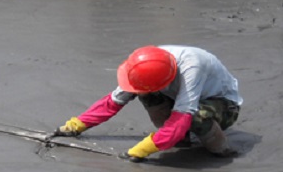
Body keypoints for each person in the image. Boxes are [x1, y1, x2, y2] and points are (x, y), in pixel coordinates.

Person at [55, 45, 243, 162]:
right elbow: (113, 102)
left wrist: (144, 149)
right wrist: (76, 125)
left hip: (224, 104)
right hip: (178, 96)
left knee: (196, 117)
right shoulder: (147, 62)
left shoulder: (192, 69)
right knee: (146, 95)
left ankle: (221, 149)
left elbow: (182, 117)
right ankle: (178, 140)